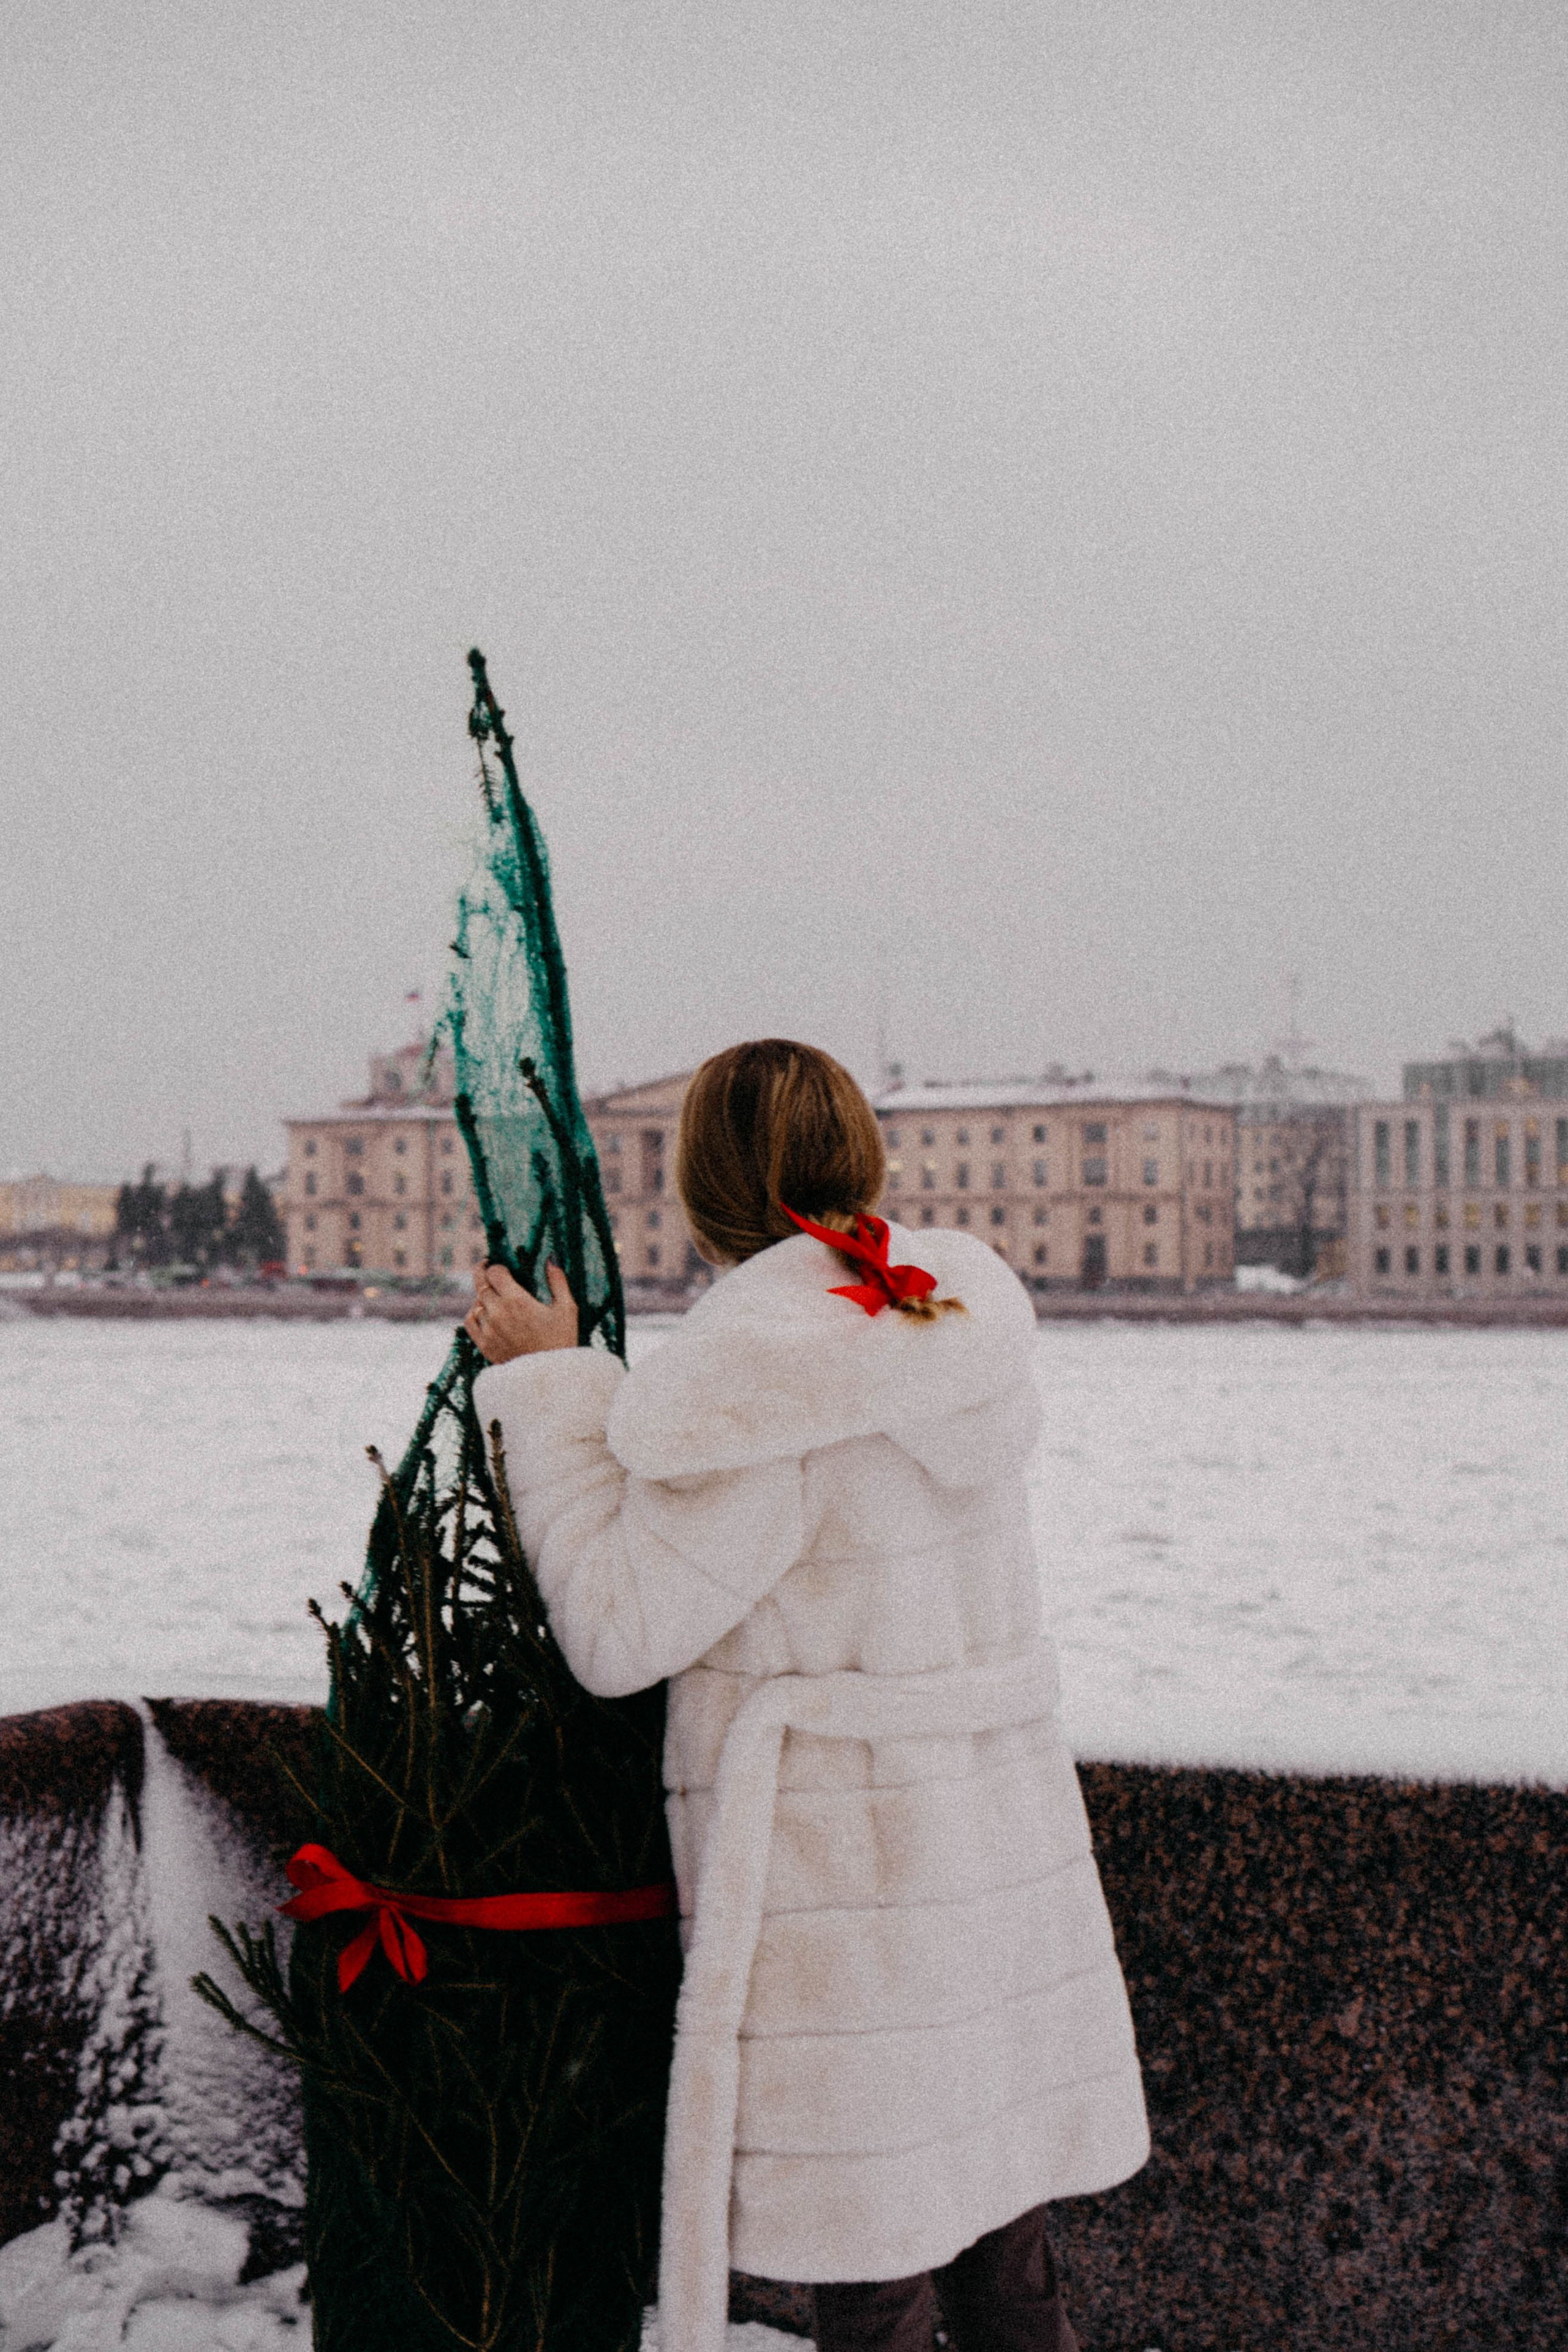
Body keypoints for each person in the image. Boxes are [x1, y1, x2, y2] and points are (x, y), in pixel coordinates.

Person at [466, 1039, 1148, 2352]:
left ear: (703, 1184)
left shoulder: (758, 1384)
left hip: (847, 1879)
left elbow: (616, 1629)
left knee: (869, 2268)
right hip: (988, 1861)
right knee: (1004, 2252)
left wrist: (552, 1389)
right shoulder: (939, 1327)